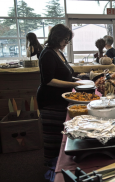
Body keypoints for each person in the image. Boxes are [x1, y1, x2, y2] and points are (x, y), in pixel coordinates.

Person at [37, 24, 82, 165]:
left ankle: (59, 160)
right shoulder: (48, 54)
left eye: (68, 40)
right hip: (50, 100)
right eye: (65, 39)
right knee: (53, 134)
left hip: (60, 98)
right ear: (57, 38)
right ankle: (52, 163)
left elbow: (65, 74)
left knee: (59, 132)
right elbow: (48, 80)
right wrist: (74, 85)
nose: (67, 43)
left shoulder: (58, 52)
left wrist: (77, 79)